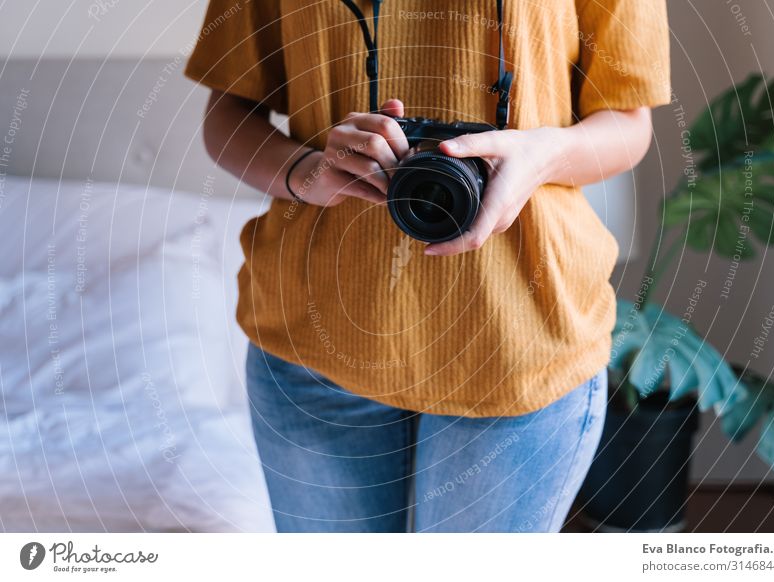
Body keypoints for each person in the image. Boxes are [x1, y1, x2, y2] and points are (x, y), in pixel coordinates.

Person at [185, 0, 670, 532]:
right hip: (314, 349)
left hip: (518, 345)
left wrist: (543, 154)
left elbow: (627, 119)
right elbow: (227, 115)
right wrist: (305, 170)